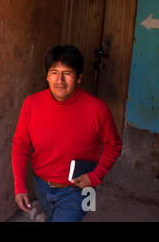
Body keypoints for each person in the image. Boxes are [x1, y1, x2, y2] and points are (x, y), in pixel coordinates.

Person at [11, 45, 122, 222]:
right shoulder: (31, 104)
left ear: (79, 78)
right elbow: (20, 146)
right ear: (47, 76)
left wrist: (96, 176)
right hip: (41, 185)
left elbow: (113, 145)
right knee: (51, 217)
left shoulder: (98, 109)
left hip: (81, 190)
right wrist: (19, 186)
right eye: (54, 72)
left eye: (68, 73)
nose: (60, 80)